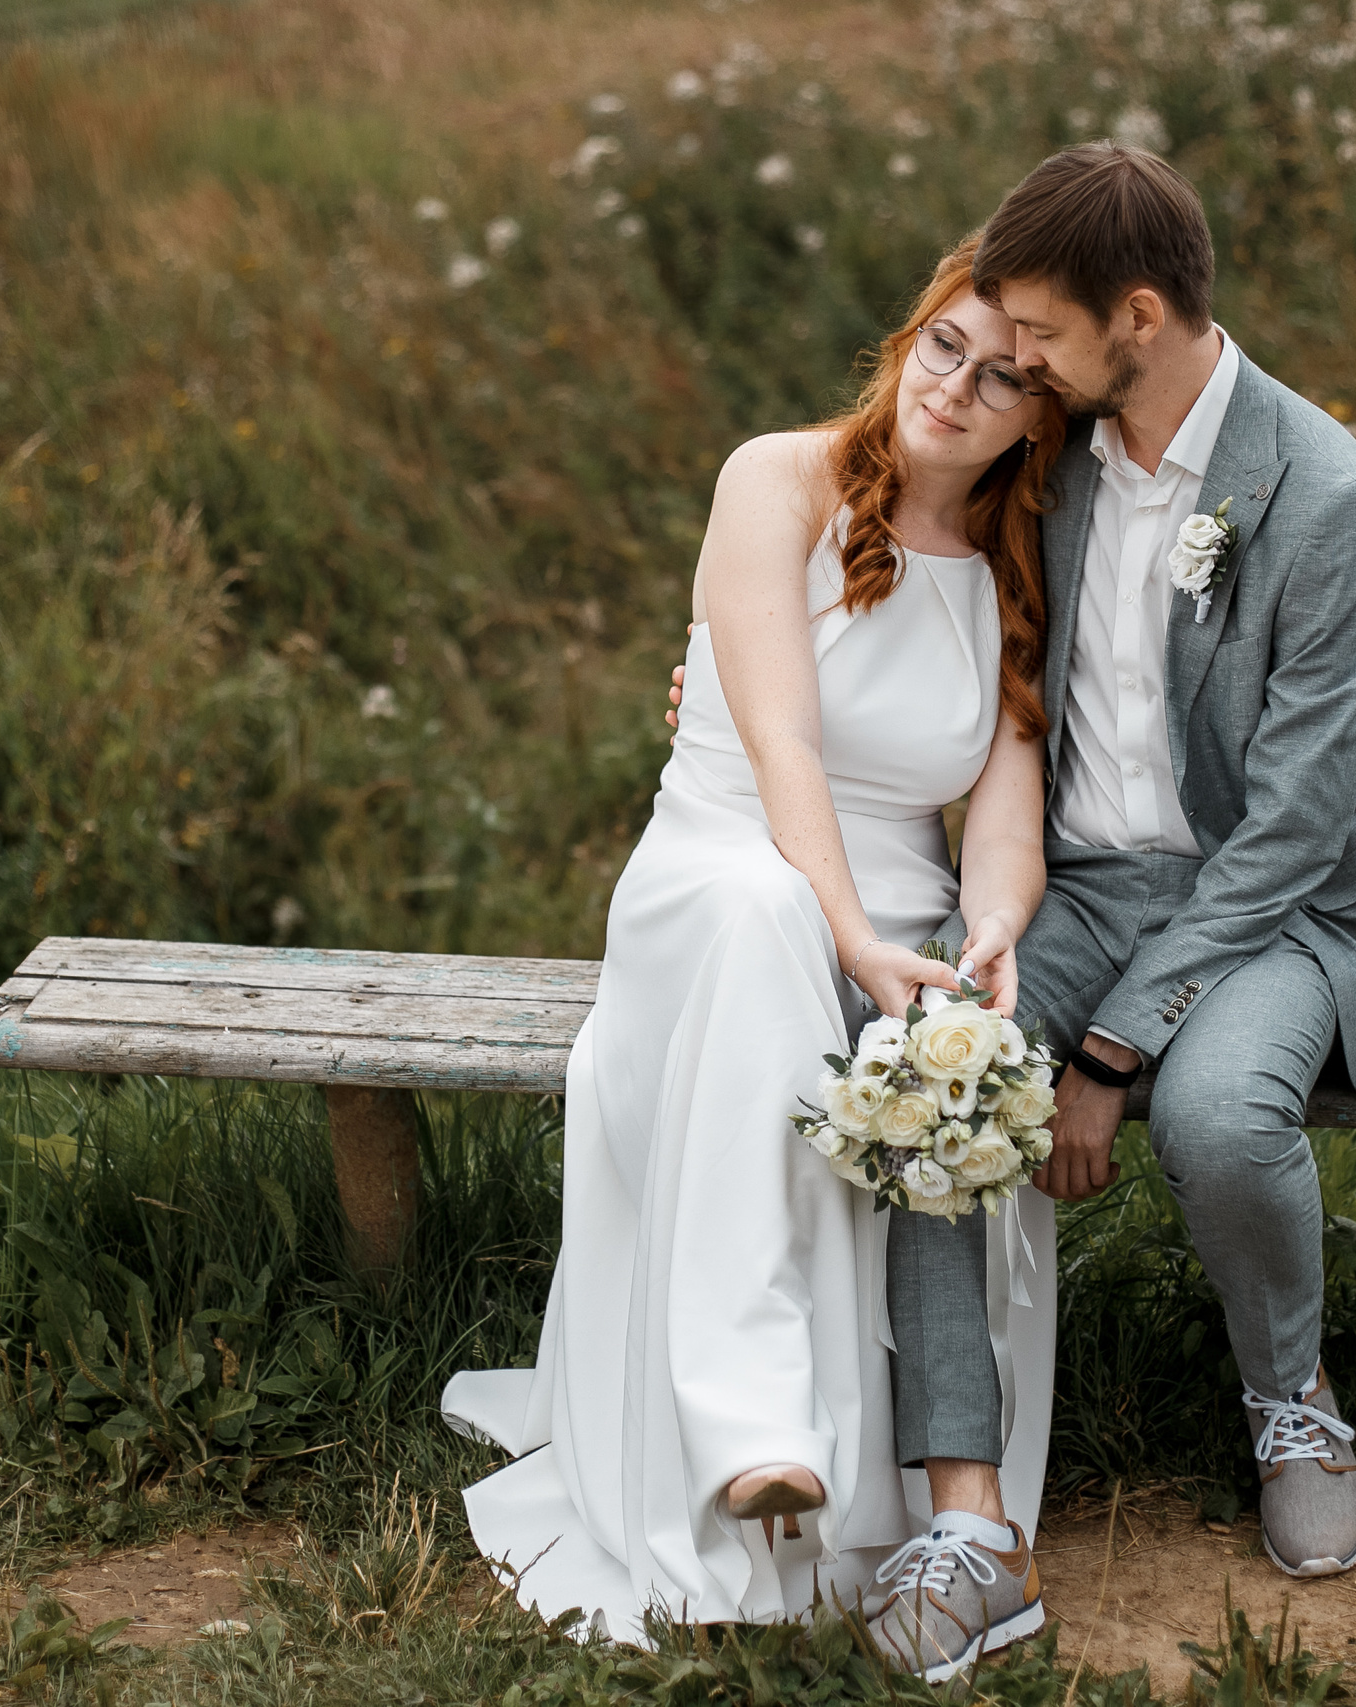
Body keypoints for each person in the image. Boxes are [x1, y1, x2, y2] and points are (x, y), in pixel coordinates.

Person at [827, 144, 1356, 1676]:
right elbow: (892, 504)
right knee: (936, 1081)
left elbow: (1292, 823)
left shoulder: (1328, 496)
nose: (1015, 366)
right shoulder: (1050, 448)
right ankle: (966, 1511)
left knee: (1213, 1116)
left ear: (1137, 317)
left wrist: (1118, 1047)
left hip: (1271, 901)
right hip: (1069, 886)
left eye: (1044, 341)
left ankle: (1294, 1402)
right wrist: (756, 694)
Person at [440, 237, 1070, 1648]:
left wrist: (989, 935)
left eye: (1007, 378)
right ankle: (747, 1427)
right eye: (946, 348)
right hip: (724, 857)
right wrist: (851, 937)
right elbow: (782, 740)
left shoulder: (1023, 557)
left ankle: (917, 1491)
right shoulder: (776, 478)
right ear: (909, 341)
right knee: (763, 912)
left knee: (932, 1025)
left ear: (1042, 417)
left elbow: (1008, 803)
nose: (958, 389)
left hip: (896, 908)